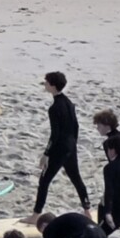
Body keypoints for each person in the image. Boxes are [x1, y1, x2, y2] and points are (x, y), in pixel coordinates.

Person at [32, 71, 91, 215]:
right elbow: (76, 126)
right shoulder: (69, 103)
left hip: (59, 148)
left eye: (46, 82)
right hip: (71, 146)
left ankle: (36, 215)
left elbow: (55, 134)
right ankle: (87, 210)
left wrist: (46, 154)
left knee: (44, 180)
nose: (44, 84)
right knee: (76, 178)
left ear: (52, 85)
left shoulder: (54, 108)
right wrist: (73, 145)